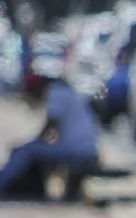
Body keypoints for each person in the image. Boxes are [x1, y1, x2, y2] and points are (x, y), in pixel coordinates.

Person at [0, 53, 98, 200]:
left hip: (77, 149)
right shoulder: (65, 92)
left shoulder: (56, 93)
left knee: (25, 150)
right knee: (27, 148)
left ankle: (3, 183)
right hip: (82, 146)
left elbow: (50, 125)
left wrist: (32, 142)